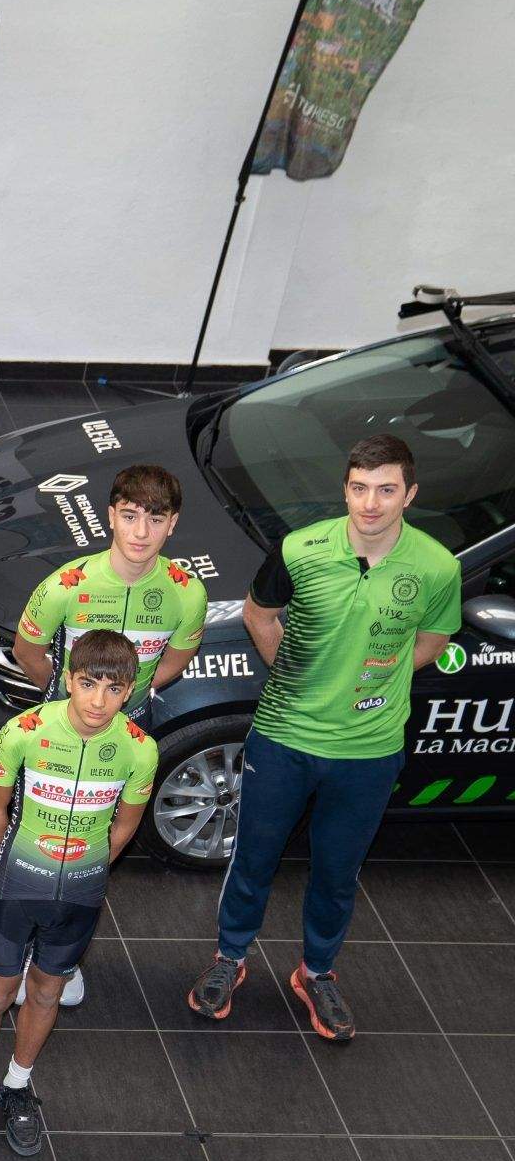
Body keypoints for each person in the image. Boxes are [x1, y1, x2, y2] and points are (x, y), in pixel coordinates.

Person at [188, 435, 460, 1041]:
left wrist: (377, 679)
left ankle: (316, 972)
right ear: (345, 490)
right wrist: (296, 671)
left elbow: (433, 641)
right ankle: (228, 960)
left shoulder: (439, 567)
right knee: (253, 859)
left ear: (409, 495)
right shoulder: (299, 549)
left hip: (369, 750)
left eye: (386, 490)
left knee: (338, 871)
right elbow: (259, 614)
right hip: (284, 737)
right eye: (360, 488)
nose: (371, 503)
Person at [0, 629, 158, 1157]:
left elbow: (126, 824)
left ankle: (17, 1084)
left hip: (80, 896)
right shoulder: (24, 731)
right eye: (87, 684)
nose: (98, 700)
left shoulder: (140, 749)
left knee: (46, 993)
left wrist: (90, 868)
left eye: (112, 687)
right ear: (68, 680)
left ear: (129, 690)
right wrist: (7, 864)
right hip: (16, 887)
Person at [8, 464, 204, 1007]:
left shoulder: (187, 594)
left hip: (125, 738)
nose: (141, 532)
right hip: (55, 730)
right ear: (111, 517)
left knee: (96, 838)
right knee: (31, 835)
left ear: (173, 525)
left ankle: (60, 957)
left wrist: (128, 698)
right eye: (130, 516)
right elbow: (28, 651)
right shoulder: (66, 584)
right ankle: (20, 949)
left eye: (155, 519)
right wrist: (68, 695)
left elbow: (176, 658)